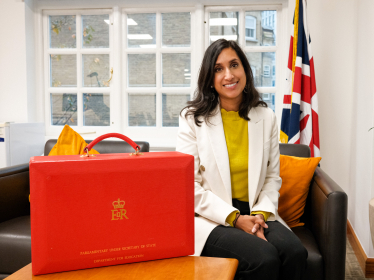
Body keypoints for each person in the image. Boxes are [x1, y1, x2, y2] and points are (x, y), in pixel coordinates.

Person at [176, 39, 308, 280]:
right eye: (218, 69)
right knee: (263, 257)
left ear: (245, 70)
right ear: (210, 78)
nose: (228, 75)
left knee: (295, 252)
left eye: (234, 65)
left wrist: (258, 215)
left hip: (257, 209)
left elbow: (271, 177)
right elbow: (188, 187)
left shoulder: (266, 116)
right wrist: (235, 219)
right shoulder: (191, 118)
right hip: (212, 217)